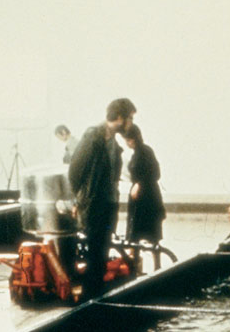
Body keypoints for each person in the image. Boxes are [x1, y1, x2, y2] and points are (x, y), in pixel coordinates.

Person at [68, 98, 135, 297]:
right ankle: (91, 295)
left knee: (102, 249)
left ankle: (97, 291)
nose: (131, 123)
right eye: (130, 118)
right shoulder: (93, 137)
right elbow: (75, 171)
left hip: (108, 205)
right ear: (120, 117)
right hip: (94, 204)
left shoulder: (112, 142)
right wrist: (78, 200)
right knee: (95, 250)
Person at [122, 124, 166, 270]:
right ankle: (136, 267)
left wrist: (139, 183)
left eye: (127, 140)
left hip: (147, 197)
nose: (127, 143)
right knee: (137, 234)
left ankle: (156, 267)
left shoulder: (145, 151)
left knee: (150, 234)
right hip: (141, 197)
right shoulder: (137, 153)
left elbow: (155, 173)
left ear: (134, 138)